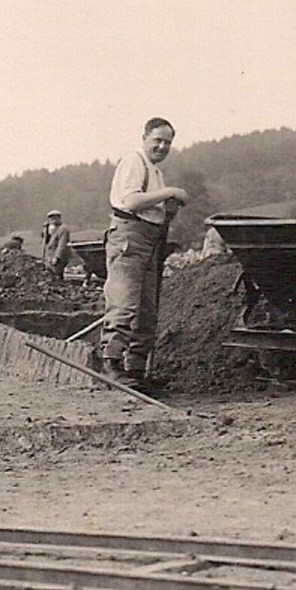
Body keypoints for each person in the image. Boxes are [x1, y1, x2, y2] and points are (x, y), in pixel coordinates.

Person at [100, 117, 188, 388]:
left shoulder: (155, 171)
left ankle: (135, 371)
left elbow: (154, 209)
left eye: (167, 143)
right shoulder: (134, 162)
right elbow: (131, 201)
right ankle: (110, 364)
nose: (162, 147)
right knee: (125, 302)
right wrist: (170, 193)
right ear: (144, 138)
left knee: (147, 310)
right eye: (157, 140)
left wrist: (167, 208)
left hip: (149, 239)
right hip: (129, 236)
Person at [42, 209, 72, 279]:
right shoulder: (51, 229)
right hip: (50, 256)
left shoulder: (63, 229)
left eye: (55, 218)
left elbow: (62, 244)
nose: (53, 220)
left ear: (59, 218)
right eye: (51, 218)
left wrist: (57, 257)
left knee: (56, 274)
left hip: (60, 257)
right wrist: (45, 230)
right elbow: (46, 241)